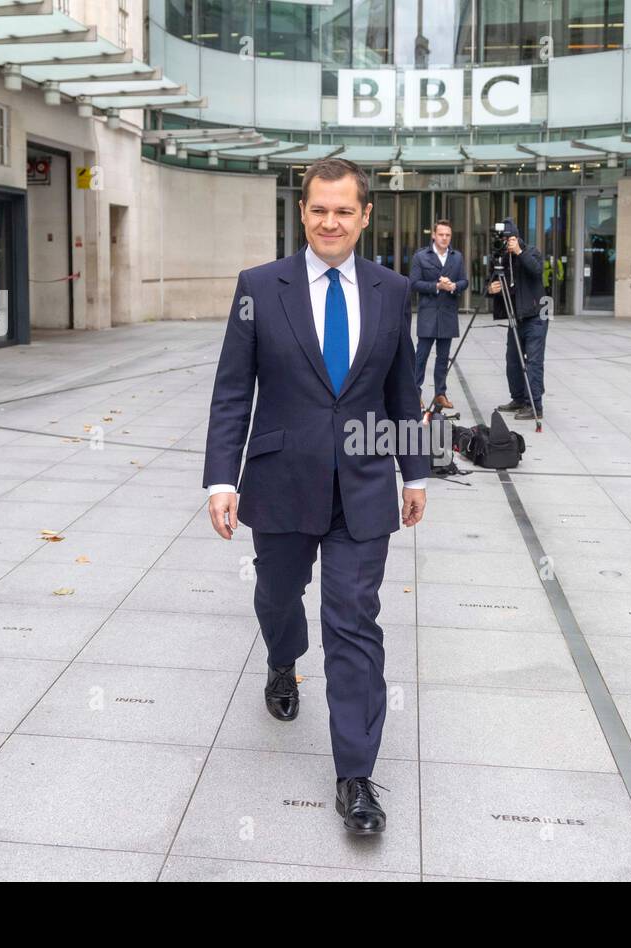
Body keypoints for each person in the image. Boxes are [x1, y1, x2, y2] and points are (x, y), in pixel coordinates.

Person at [203, 157, 430, 834]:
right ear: (302, 213)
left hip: (362, 485)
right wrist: (222, 478)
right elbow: (232, 390)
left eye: (344, 210)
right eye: (318, 209)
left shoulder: (392, 290)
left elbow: (401, 391)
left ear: (365, 216)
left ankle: (356, 777)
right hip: (279, 480)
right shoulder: (259, 287)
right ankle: (281, 659)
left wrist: (413, 473)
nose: (331, 221)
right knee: (277, 595)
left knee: (355, 621)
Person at [489, 218, 548, 420]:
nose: (506, 243)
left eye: (509, 239)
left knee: (533, 361)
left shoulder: (531, 252)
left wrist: (519, 252)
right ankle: (519, 399)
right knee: (513, 361)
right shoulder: (502, 257)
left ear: (516, 238)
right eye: (503, 240)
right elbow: (494, 281)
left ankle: (535, 405)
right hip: (516, 316)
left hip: (537, 314)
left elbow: (536, 270)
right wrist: (491, 289)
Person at [409, 218, 467, 410]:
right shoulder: (421, 256)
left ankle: (440, 393)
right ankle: (414, 393)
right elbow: (414, 283)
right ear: (434, 235)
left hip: (448, 314)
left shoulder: (457, 257)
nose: (444, 238)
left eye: (447, 235)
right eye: (441, 234)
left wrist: (453, 286)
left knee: (443, 357)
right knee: (421, 356)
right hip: (428, 313)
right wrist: (436, 286)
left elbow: (464, 281)